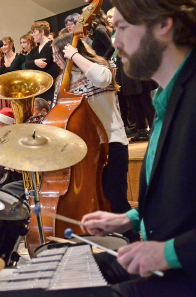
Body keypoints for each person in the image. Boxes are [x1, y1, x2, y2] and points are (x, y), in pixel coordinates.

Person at [80, 1, 196, 297]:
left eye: (122, 27)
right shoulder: (168, 97)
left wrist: (168, 253)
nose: (114, 41)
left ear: (163, 25)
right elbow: (189, 192)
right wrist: (131, 218)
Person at [52, 34, 131, 218]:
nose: (55, 60)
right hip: (84, 150)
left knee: (115, 199)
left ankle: (130, 241)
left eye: (57, 54)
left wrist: (75, 56)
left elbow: (102, 80)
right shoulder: (62, 82)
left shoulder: (102, 67)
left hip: (111, 144)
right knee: (94, 201)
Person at [25, 21, 60, 102]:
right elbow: (26, 64)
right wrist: (35, 62)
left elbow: (44, 63)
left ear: (42, 32)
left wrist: (32, 62)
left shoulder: (52, 45)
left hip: (51, 84)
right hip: (39, 85)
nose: (32, 35)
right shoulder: (35, 50)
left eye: (34, 32)